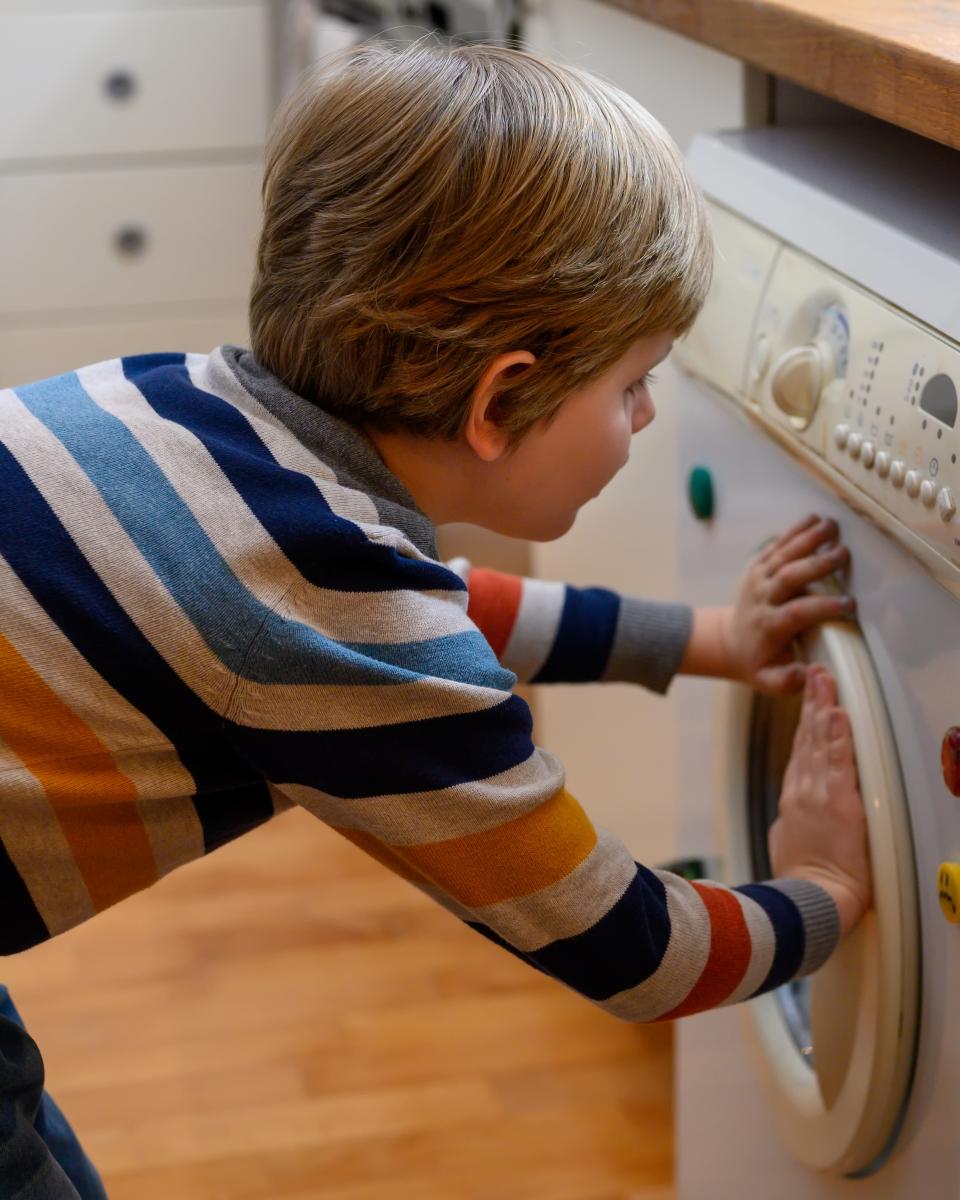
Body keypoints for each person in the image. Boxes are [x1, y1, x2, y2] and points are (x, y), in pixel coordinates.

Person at [0, 40, 871, 1196]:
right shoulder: (329, 615)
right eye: (634, 383)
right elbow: (630, 948)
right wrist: (827, 892)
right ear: (501, 399)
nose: (648, 416)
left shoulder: (183, 403)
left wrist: (705, 640)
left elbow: (423, 609)